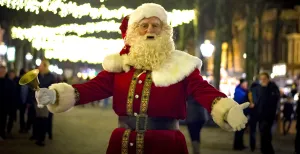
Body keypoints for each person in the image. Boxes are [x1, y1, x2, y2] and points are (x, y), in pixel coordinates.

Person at [34, 3, 249, 154]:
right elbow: (93, 88)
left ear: (165, 31)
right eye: (144, 25)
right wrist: (55, 95)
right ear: (134, 32)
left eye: (156, 25)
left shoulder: (181, 64)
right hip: (122, 143)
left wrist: (227, 109)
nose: (150, 30)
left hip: (166, 145)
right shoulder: (120, 64)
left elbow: (202, 89)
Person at [251, 72, 280, 154]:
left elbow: (273, 100)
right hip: (260, 115)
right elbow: (258, 100)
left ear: (268, 79)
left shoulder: (272, 88)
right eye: (261, 79)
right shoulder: (260, 88)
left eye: (264, 79)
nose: (263, 80)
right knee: (263, 133)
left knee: (265, 133)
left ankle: (268, 150)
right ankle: (264, 150)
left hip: (268, 115)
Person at [233, 78, 249, 150]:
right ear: (241, 84)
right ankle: (238, 146)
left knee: (240, 130)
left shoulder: (241, 90)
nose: (246, 85)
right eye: (245, 84)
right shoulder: (239, 91)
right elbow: (241, 101)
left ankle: (239, 145)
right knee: (239, 130)